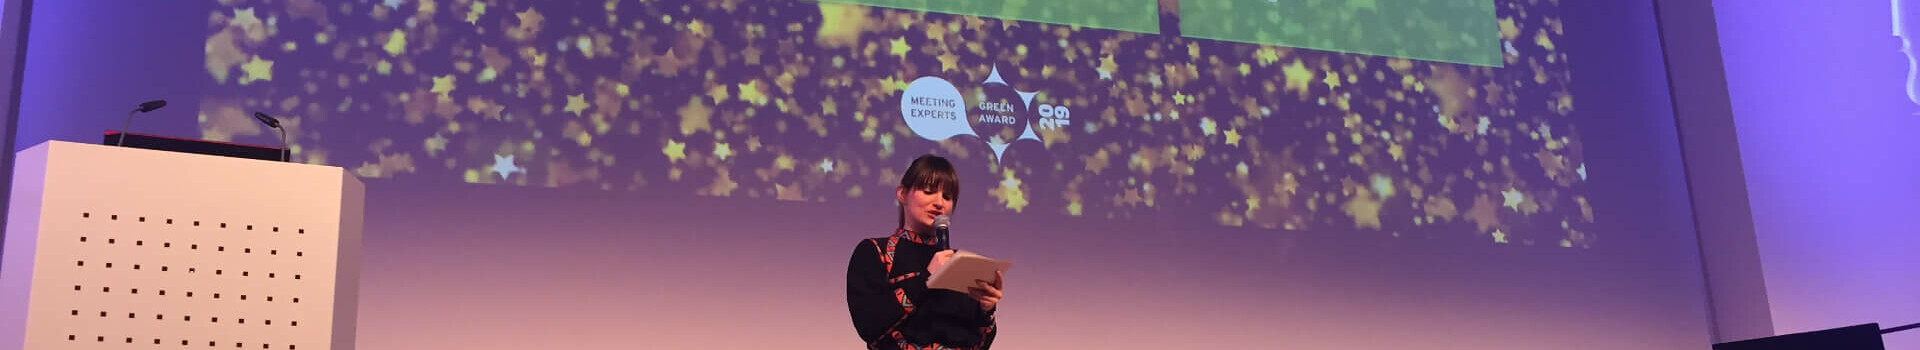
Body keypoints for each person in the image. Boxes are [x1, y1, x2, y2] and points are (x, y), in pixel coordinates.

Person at [847, 154, 1004, 350]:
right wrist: (927, 278)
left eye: (947, 197)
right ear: (902, 193)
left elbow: (979, 344)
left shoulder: (962, 263)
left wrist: (986, 310)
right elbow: (870, 326)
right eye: (929, 191)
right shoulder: (875, 251)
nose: (939, 203)